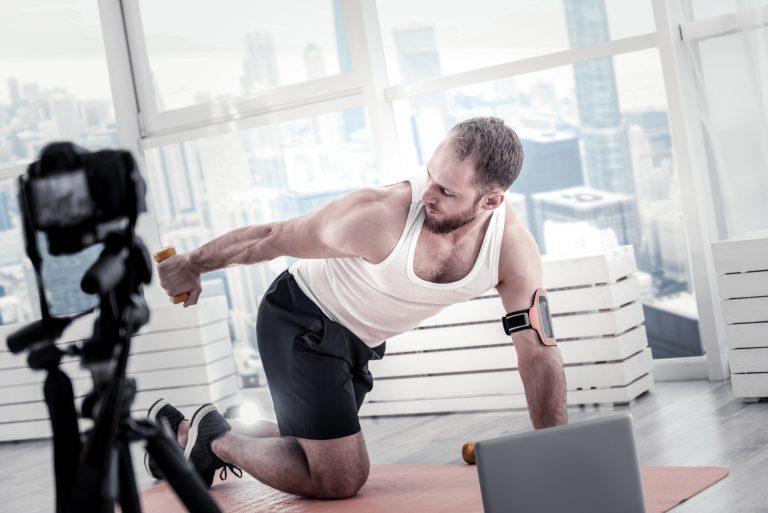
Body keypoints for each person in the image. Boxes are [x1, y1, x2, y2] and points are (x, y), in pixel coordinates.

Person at [150, 116, 567, 499]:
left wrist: (555, 454)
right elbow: (273, 236)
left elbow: (537, 353)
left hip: (357, 344)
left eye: (446, 190)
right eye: (429, 176)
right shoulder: (379, 217)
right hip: (301, 319)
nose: (427, 194)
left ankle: (186, 434)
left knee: (306, 448)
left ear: (491, 202)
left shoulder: (512, 252)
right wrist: (190, 264)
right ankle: (216, 441)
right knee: (339, 478)